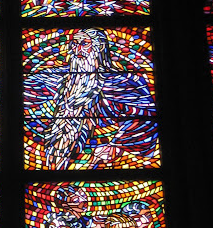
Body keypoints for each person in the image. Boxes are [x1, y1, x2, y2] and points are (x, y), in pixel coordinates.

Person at [41, 29, 156, 170]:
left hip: (102, 160)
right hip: (54, 157)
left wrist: (115, 146)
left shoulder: (122, 82)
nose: (77, 49)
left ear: (100, 47)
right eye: (74, 43)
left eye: (84, 43)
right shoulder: (56, 79)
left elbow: (146, 117)